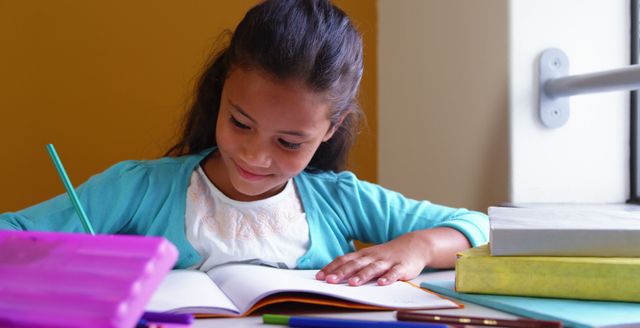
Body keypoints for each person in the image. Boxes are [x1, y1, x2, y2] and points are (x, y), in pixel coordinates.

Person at [0, 0, 488, 287]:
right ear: (221, 94)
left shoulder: (339, 198)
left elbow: (481, 227)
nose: (256, 156)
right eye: (239, 123)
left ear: (331, 128)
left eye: (290, 142)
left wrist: (419, 246)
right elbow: (12, 231)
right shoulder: (142, 188)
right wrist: (68, 259)